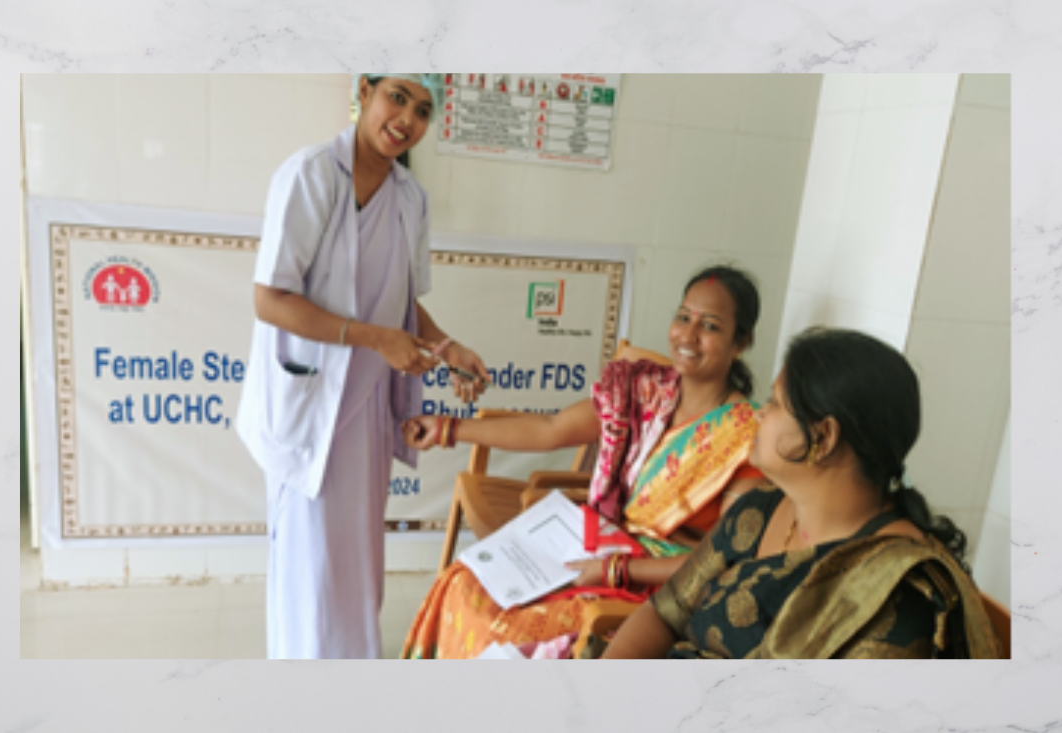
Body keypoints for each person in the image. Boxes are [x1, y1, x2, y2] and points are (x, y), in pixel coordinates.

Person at [236, 73, 490, 660]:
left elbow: (402, 303)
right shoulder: (311, 175)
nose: (407, 120)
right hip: (309, 411)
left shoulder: (410, 199)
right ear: (365, 90)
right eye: (397, 97)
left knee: (357, 564)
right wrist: (376, 340)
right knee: (310, 568)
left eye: (422, 110)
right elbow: (270, 300)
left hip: (366, 409)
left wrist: (448, 347)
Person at [399, 266, 770, 659]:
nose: (688, 335)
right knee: (465, 583)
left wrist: (617, 570)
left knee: (503, 629)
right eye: (683, 317)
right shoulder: (644, 391)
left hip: (658, 591)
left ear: (741, 342)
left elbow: (721, 561)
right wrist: (448, 429)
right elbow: (550, 428)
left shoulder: (745, 440)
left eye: (710, 326)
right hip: (597, 546)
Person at [600, 327, 1003, 659]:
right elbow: (665, 613)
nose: (760, 413)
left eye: (776, 403)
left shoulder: (892, 595)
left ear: (823, 437)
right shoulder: (758, 511)